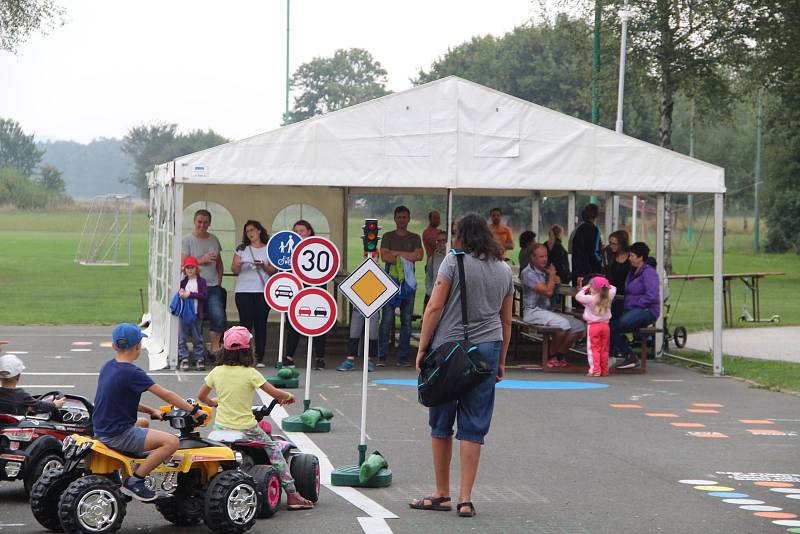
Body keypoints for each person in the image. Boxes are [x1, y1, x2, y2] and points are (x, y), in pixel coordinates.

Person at [410, 213, 513, 518]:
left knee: (441, 420)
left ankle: (441, 493)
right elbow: (506, 320)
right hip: (488, 349)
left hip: (450, 349)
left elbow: (434, 306)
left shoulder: (453, 261)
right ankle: (465, 499)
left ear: (460, 236)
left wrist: (423, 347)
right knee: (474, 423)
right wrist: (502, 359)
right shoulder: (504, 269)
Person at [197, 326, 314, 510]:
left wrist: (215, 402)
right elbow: (274, 392)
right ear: (248, 349)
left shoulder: (216, 372)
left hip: (221, 429)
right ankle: (292, 494)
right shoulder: (250, 373)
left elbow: (202, 397)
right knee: (273, 450)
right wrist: (287, 397)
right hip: (247, 428)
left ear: (224, 350)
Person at [93, 323, 200, 501]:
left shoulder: (108, 366)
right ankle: (136, 480)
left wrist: (151, 410)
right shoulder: (132, 372)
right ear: (138, 346)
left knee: (142, 422)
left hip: (102, 430)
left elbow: (115, 399)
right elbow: (166, 394)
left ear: (113, 346)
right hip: (117, 434)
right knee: (171, 442)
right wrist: (194, 410)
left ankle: (130, 468)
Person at [521, 244, 586, 367]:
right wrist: (552, 275)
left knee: (579, 326)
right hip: (533, 311)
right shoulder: (528, 273)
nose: (545, 259)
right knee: (563, 325)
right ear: (532, 258)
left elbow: (555, 290)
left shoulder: (546, 271)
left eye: (546, 256)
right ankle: (550, 356)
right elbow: (548, 291)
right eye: (541, 257)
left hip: (549, 310)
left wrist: (557, 280)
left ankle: (558, 356)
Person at [378, 206, 423, 367]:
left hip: (409, 285)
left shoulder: (415, 237)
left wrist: (396, 253)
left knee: (406, 321)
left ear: (409, 219)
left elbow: (419, 255)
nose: (402, 220)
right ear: (395, 218)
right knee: (387, 320)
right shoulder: (388, 236)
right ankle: (382, 356)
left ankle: (403, 356)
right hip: (390, 283)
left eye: (404, 217)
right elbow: (385, 257)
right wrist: (405, 256)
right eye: (399, 217)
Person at [231, 220, 277, 368]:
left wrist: (262, 265)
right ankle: (244, 355)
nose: (249, 233)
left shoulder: (269, 248)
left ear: (259, 231)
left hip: (262, 290)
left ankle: (259, 356)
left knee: (261, 323)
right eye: (247, 231)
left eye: (252, 230)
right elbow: (234, 270)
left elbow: (273, 271)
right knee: (245, 324)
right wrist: (240, 263)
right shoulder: (242, 249)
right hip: (244, 290)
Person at [284, 220, 327, 369]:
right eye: (295, 231)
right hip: (297, 291)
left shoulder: (318, 247)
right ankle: (288, 357)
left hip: (316, 291)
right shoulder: (291, 251)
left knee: (318, 324)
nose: (298, 234)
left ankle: (320, 358)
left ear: (309, 231)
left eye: (301, 231)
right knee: (293, 325)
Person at [182, 209, 226, 356]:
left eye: (205, 222)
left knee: (218, 316)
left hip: (212, 286)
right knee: (194, 319)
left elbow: (219, 264)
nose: (202, 225)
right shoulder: (186, 240)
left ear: (210, 223)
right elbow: (184, 264)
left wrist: (218, 282)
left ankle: (214, 348)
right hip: (193, 285)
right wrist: (202, 260)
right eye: (200, 221)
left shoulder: (214, 239)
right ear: (194, 222)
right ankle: (196, 350)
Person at [611, 242, 661, 369]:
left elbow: (652, 296)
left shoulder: (649, 273)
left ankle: (630, 356)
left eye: (632, 256)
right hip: (633, 308)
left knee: (616, 326)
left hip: (648, 310)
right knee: (609, 323)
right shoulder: (632, 271)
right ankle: (620, 352)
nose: (629, 258)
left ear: (640, 257)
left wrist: (634, 304)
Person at [0, 350, 65, 415]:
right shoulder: (21, 395)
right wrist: (55, 404)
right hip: (15, 424)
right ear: (18, 376)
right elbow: (39, 405)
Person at [575, 276, 616, 377]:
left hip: (593, 326)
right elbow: (614, 288)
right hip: (606, 326)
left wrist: (585, 287)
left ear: (593, 288)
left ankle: (595, 369)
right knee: (604, 348)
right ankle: (605, 370)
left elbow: (578, 296)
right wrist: (605, 284)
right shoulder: (609, 295)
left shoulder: (590, 299)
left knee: (593, 348)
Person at [178, 256, 207, 371]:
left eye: (192, 267)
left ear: (196, 268)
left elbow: (204, 295)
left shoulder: (201, 281)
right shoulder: (182, 282)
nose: (189, 270)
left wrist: (190, 294)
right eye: (187, 268)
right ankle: (184, 357)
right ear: (184, 269)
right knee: (182, 336)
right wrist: (181, 293)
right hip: (184, 313)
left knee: (197, 337)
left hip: (196, 313)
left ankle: (199, 358)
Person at [569, 203, 603, 290]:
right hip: (590, 272)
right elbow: (594, 252)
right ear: (595, 216)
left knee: (577, 298)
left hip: (577, 271)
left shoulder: (576, 230)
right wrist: (601, 260)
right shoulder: (595, 230)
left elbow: (571, 250)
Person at [603, 229, 631, 319]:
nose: (611, 246)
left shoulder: (631, 256)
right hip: (612, 293)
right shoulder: (609, 254)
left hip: (627, 294)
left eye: (614, 244)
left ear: (622, 244)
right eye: (610, 243)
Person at [423, 230, 447, 312]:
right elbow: (428, 278)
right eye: (438, 241)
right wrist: (430, 293)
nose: (441, 243)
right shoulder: (432, 259)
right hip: (436, 296)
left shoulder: (454, 257)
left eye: (443, 240)